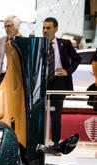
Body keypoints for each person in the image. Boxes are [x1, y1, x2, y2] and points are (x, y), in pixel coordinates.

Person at [42, 17, 81, 151]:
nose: (45, 30)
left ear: (56, 29)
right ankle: (40, 142)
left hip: (59, 82)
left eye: (48, 28)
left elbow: (77, 59)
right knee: (41, 114)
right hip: (42, 83)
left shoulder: (65, 44)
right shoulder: (39, 44)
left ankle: (55, 143)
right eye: (44, 28)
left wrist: (68, 71)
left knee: (56, 115)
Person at [0, 16, 22, 88]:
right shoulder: (1, 41)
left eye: (9, 26)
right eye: (5, 26)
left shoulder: (23, 41)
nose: (7, 29)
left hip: (16, 79)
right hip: (0, 77)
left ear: (16, 26)